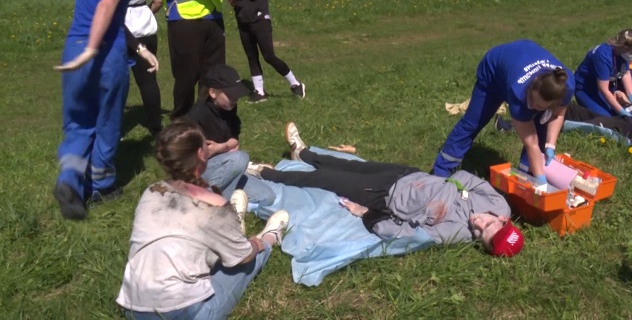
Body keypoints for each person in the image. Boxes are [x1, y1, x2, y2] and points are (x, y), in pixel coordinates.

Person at [248, 123, 524, 257]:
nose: (478, 223)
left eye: (480, 234)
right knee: (349, 165)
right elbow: (469, 177)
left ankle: (266, 173)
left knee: (328, 179)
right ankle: (304, 154)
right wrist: (450, 188)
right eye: (487, 223)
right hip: (408, 174)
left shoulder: (454, 233)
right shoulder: (501, 206)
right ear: (501, 219)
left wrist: (367, 213)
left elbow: (406, 234)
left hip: (385, 196)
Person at [116, 120, 289, 319]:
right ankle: (270, 237)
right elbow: (243, 258)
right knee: (248, 259)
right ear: (200, 153)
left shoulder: (152, 191)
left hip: (132, 307)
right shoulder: (213, 204)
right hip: (183, 312)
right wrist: (255, 245)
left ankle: (231, 235)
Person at [52, 0, 155, 220]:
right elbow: (107, 6)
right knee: (108, 121)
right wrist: (94, 48)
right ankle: (102, 186)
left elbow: (101, 7)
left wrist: (139, 48)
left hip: (74, 46)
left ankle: (69, 181)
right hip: (105, 52)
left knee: (77, 123)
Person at [432, 40, 575, 185]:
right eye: (532, 100)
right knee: (473, 122)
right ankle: (441, 172)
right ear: (533, 84)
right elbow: (531, 143)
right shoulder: (518, 91)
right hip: (494, 71)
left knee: (540, 128)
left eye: (540, 107)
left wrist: (550, 145)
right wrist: (542, 181)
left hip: (522, 59)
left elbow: (557, 115)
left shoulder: (564, 86)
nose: (533, 108)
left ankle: (527, 178)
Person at [99, 0, 165, 135]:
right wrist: (147, 12)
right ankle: (156, 126)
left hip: (121, 22)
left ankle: (111, 127)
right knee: (148, 81)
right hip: (145, 22)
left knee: (115, 80)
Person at [185, 64, 276, 207]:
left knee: (267, 197)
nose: (235, 99)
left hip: (225, 169)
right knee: (241, 158)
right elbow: (190, 159)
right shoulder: (197, 117)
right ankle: (199, 196)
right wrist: (220, 151)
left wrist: (221, 147)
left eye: (237, 95)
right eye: (231, 95)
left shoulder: (229, 108)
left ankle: (219, 199)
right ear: (213, 93)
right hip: (201, 172)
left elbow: (234, 141)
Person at [230, 0, 305, 102]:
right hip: (243, 20)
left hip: (260, 20)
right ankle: (259, 91)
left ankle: (295, 84)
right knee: (251, 56)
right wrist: (235, 1)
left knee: (269, 56)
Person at [573, 29, 632, 117]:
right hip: (587, 88)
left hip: (608, 83)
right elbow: (603, 90)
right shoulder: (603, 56)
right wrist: (622, 112)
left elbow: (625, 73)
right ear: (623, 47)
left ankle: (620, 105)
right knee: (607, 117)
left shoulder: (622, 53)